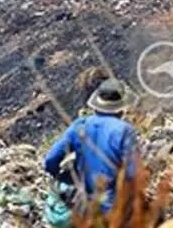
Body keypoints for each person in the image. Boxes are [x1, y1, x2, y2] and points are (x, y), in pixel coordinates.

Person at [43, 79, 141, 217]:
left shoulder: (79, 126)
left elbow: (50, 162)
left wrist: (69, 179)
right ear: (121, 109)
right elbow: (133, 174)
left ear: (96, 105)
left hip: (85, 209)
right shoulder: (125, 131)